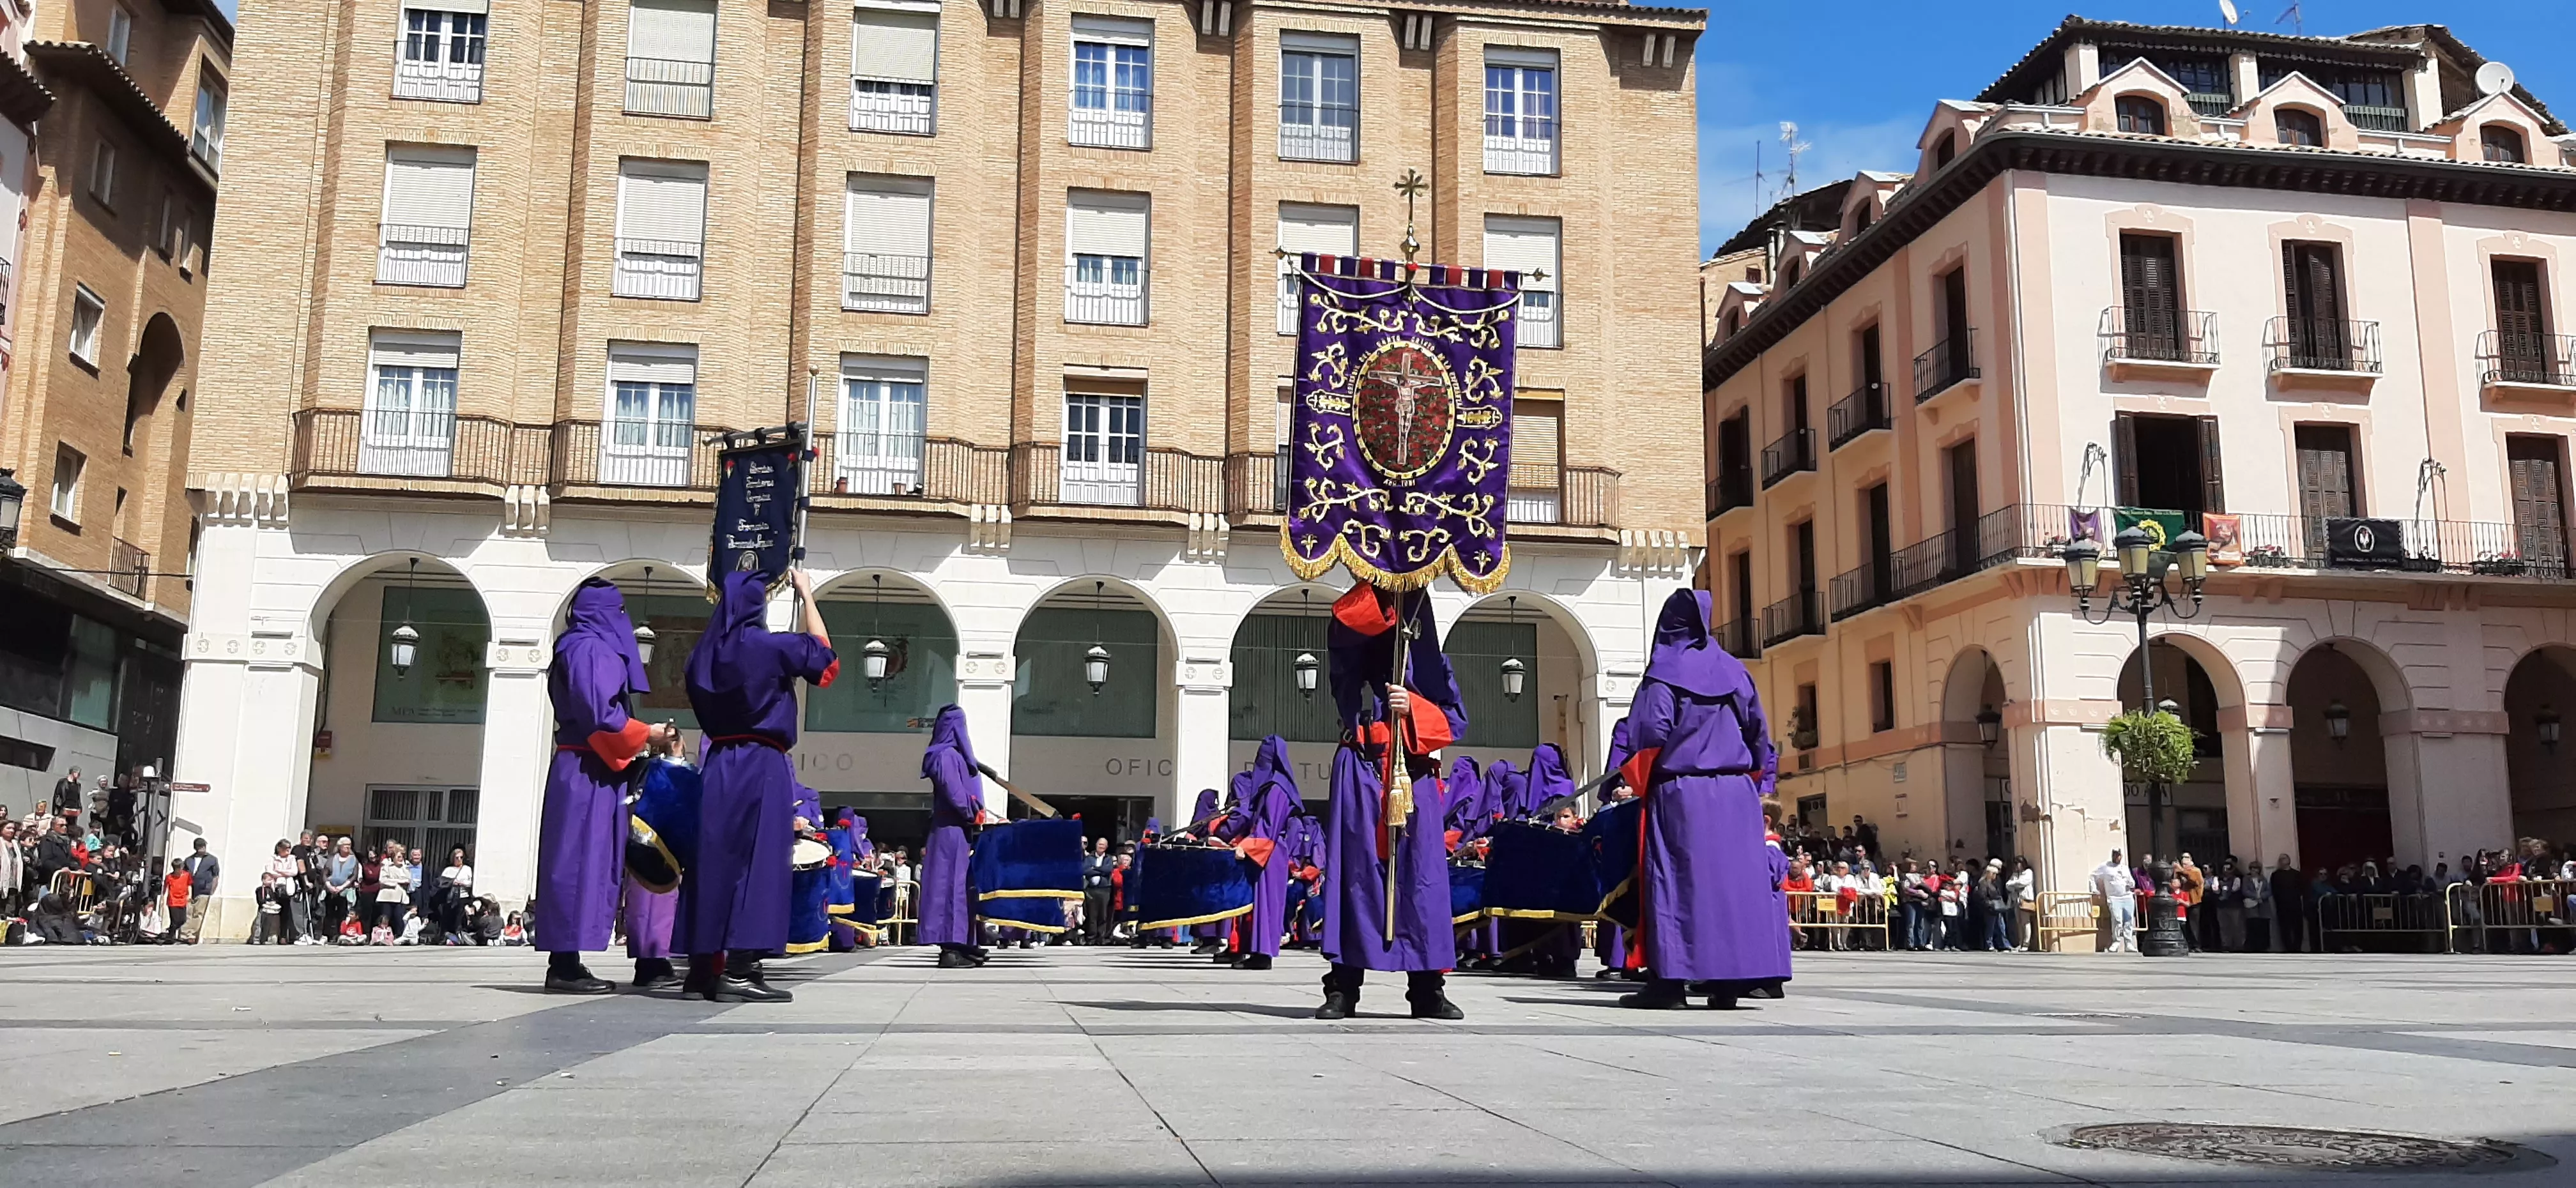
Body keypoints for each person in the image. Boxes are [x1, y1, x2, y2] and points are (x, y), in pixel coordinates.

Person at [1611, 589, 1786, 1010]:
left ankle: (1669, 984)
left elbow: (1650, 733)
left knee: (1676, 885)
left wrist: (1637, 779)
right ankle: (1726, 985)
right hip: (1737, 794)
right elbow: (1759, 735)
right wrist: (1754, 782)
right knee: (1731, 889)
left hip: (1683, 792)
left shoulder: (1664, 673)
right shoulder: (1736, 671)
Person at [675, 568, 837, 1001]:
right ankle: (741, 969)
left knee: (712, 864)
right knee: (758, 862)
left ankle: (701, 971)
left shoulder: (700, 656)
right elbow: (826, 663)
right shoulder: (771, 646)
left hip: (717, 762)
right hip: (762, 761)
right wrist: (807, 595)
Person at [1316, 583, 1466, 1021]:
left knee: (1422, 880)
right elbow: (1348, 629)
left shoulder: (1433, 666)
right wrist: (1382, 587)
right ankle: (1343, 988)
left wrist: (1414, 707)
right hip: (1362, 768)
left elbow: (1455, 721)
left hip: (1414, 774)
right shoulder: (1352, 646)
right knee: (1355, 877)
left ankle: (1427, 989)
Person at [537, 579, 671, 990]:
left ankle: (567, 960)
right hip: (588, 768)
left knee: (583, 861)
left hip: (587, 764)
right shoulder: (590, 648)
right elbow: (600, 714)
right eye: (619, 611)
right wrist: (647, 734)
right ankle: (564, 965)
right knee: (578, 861)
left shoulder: (575, 645)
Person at [1220, 736, 1301, 971]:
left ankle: (1263, 954)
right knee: (1258, 904)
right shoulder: (1271, 786)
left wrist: (1247, 846)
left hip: (1269, 852)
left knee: (1267, 904)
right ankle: (1256, 950)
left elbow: (1270, 827)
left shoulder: (1277, 788)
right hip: (1265, 851)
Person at [919, 704, 988, 968]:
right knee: (949, 886)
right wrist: (973, 812)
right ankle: (950, 947)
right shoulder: (945, 755)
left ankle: (963, 943)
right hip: (950, 830)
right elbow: (955, 793)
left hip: (958, 830)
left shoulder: (950, 755)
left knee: (961, 888)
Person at [2092, 849, 2135, 953]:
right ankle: (2116, 941)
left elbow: (2131, 881)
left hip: (2127, 896)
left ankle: (2129, 943)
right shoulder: (2105, 867)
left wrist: (2131, 884)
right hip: (2114, 898)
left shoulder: (2125, 868)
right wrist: (2094, 889)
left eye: (2119, 855)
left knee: (2129, 920)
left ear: (2121, 856)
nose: (2117, 857)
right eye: (2115, 855)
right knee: (2117, 920)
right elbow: (2093, 876)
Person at [180, 837, 220, 943]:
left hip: (204, 890)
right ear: (196, 847)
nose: (202, 848)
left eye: (204, 846)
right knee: (188, 913)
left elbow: (216, 876)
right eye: (200, 846)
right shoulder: (189, 860)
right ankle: (185, 934)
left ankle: (191, 935)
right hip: (190, 889)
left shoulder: (212, 860)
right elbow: (184, 875)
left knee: (198, 914)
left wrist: (212, 890)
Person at [375, 840, 413, 941]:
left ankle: (399, 937)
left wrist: (393, 880)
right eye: (399, 857)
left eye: (402, 857)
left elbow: (408, 880)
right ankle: (383, 937)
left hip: (400, 897)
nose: (401, 859)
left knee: (399, 918)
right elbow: (383, 880)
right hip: (387, 897)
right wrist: (397, 882)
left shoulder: (406, 866)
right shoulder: (386, 864)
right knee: (385, 918)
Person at [1081, 836, 1116, 945]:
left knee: (1103, 915)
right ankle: (1091, 938)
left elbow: (1108, 870)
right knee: (1092, 915)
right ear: (1096, 845)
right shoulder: (1089, 858)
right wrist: (1100, 871)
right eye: (1100, 844)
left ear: (1107, 847)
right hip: (1091, 890)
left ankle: (1101, 938)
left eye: (1103, 845)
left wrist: (1094, 868)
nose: (1101, 846)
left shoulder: (1109, 858)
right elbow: (1086, 870)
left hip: (1104, 890)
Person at [438, 846, 475, 943]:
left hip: (463, 897)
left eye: (461, 857)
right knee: (449, 918)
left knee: (460, 919)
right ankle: (447, 937)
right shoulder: (448, 870)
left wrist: (462, 883)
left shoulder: (467, 869)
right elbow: (442, 883)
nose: (459, 859)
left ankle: (460, 936)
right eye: (457, 857)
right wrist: (452, 882)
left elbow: (470, 883)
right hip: (450, 898)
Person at [162, 858, 193, 943]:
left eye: (180, 868)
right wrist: (163, 900)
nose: (179, 870)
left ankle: (170, 932)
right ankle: (171, 937)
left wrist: (190, 895)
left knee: (183, 920)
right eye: (177, 869)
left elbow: (189, 885)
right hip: (173, 901)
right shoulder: (169, 877)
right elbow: (165, 890)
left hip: (183, 900)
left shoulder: (187, 875)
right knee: (175, 921)